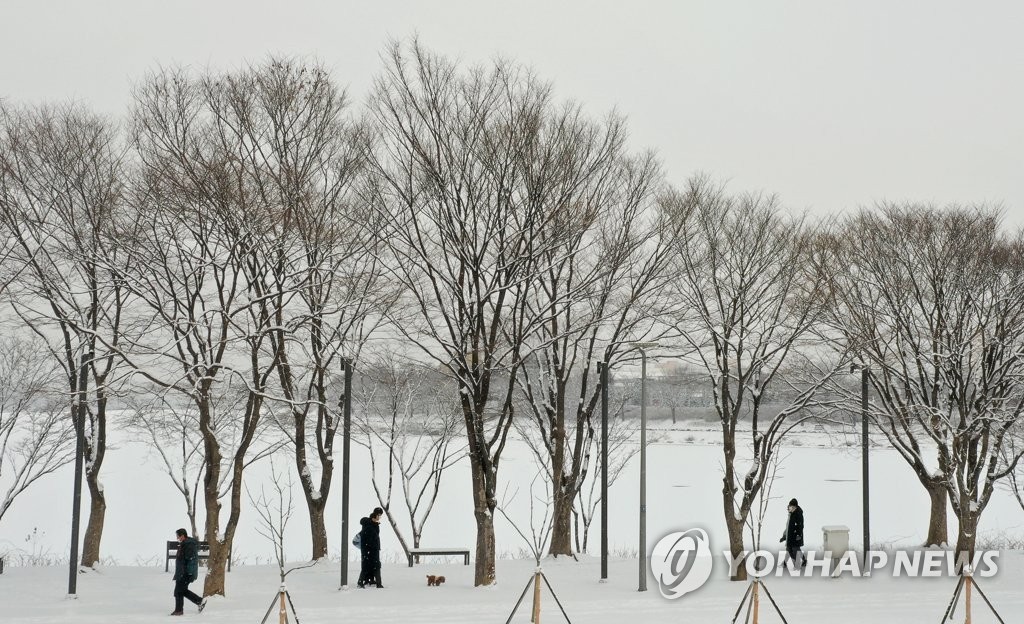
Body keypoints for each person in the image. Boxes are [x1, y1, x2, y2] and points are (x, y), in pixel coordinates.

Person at [171, 528, 206, 615]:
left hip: (185, 573)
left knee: (179, 591)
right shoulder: (185, 544)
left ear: (182, 536)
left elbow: (191, 560)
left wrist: (189, 573)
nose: (177, 538)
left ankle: (179, 611)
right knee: (181, 591)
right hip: (182, 572)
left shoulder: (189, 545)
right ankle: (199, 601)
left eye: (178, 536)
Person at [357, 507, 384, 588]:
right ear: (375, 515)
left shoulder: (375, 524)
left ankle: (370, 580)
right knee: (368, 565)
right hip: (368, 549)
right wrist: (370, 548)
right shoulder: (368, 524)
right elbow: (368, 537)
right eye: (378, 515)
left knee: (373, 565)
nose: (379, 517)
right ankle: (361, 582)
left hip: (374, 548)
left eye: (380, 515)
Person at [779, 498, 805, 569]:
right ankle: (786, 563)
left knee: (793, 550)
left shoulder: (798, 514)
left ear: (796, 507)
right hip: (790, 535)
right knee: (790, 549)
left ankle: (797, 565)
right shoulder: (790, 514)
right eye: (791, 506)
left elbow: (800, 525)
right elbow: (788, 527)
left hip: (795, 536)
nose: (791, 508)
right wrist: (784, 536)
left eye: (793, 507)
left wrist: (798, 535)